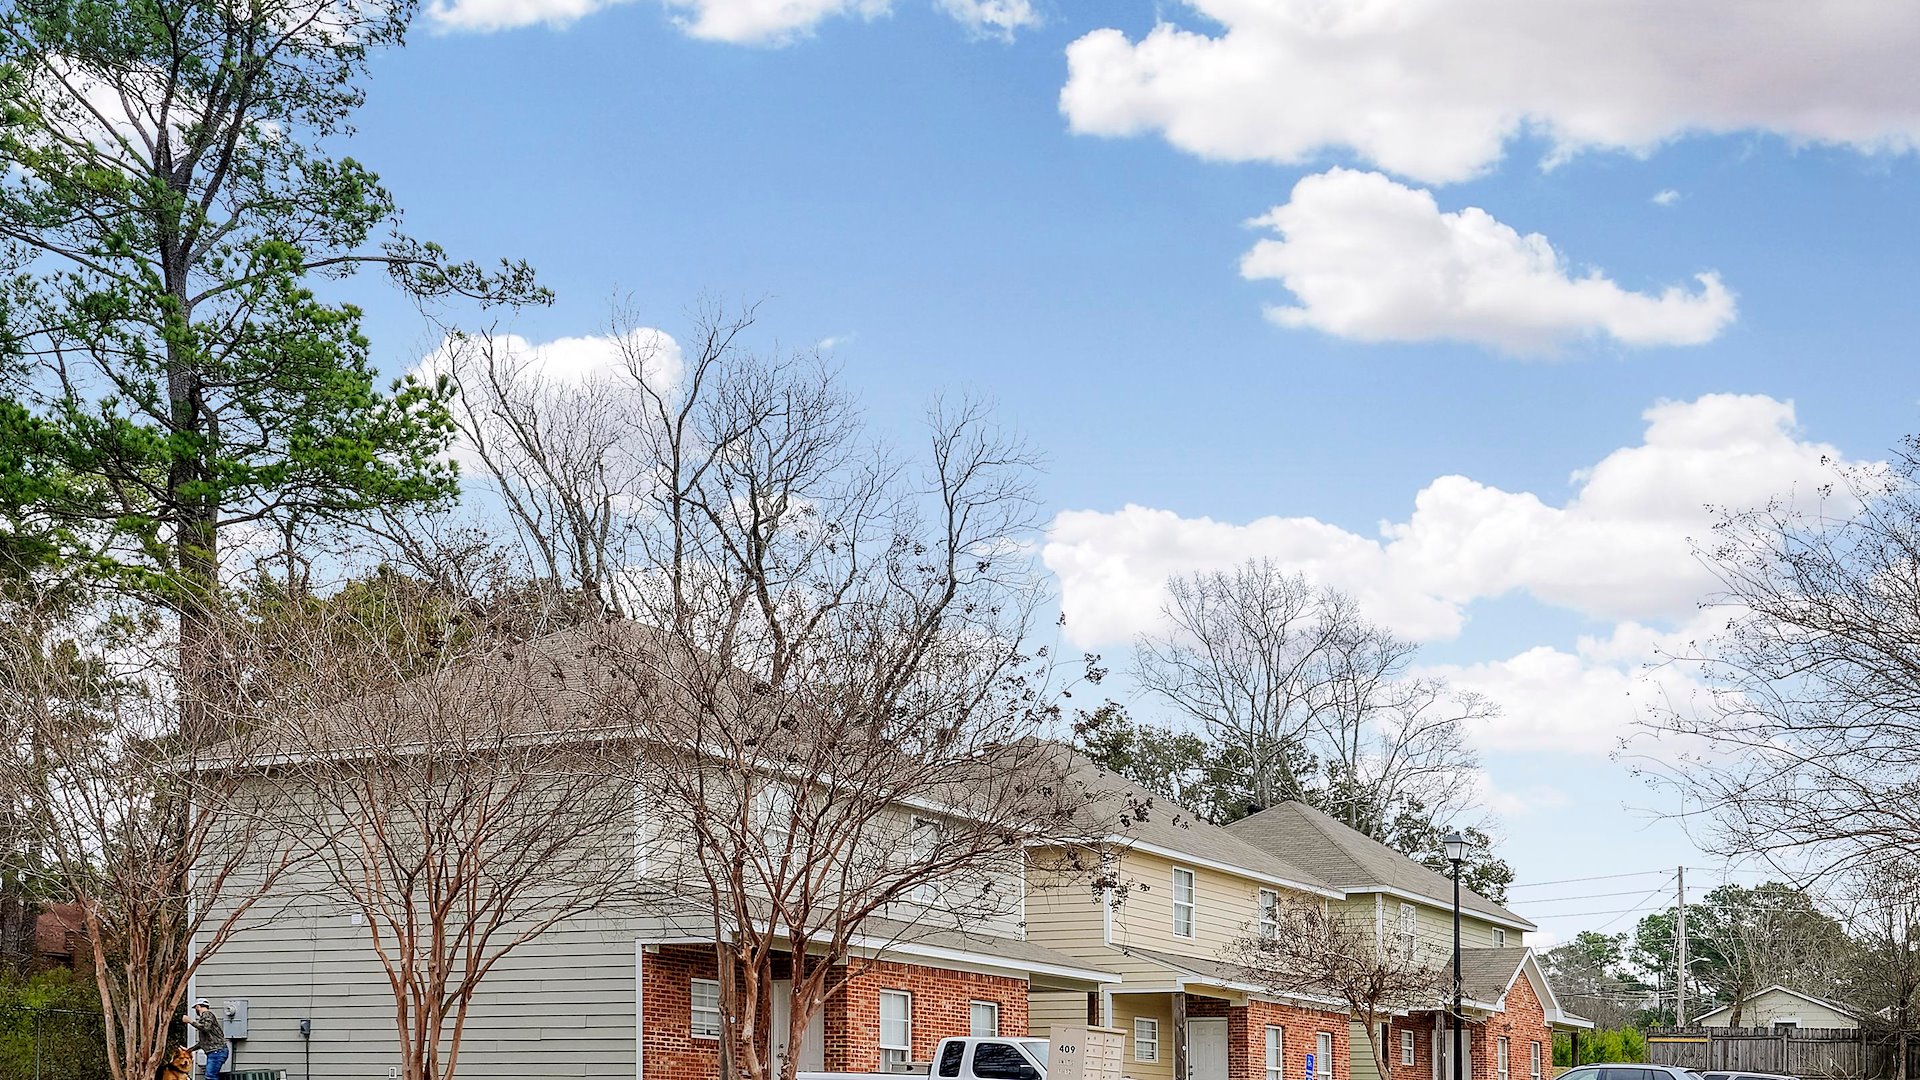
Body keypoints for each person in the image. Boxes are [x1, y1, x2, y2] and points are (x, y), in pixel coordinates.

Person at [184, 999, 229, 1080]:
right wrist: (189, 1050)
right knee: (211, 1075)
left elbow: (205, 1028)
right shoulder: (206, 1017)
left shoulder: (207, 1014)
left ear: (198, 1007)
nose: (196, 1011)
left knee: (210, 1076)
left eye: (196, 1008)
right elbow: (203, 1043)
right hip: (216, 1051)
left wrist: (190, 1021)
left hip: (216, 1051)